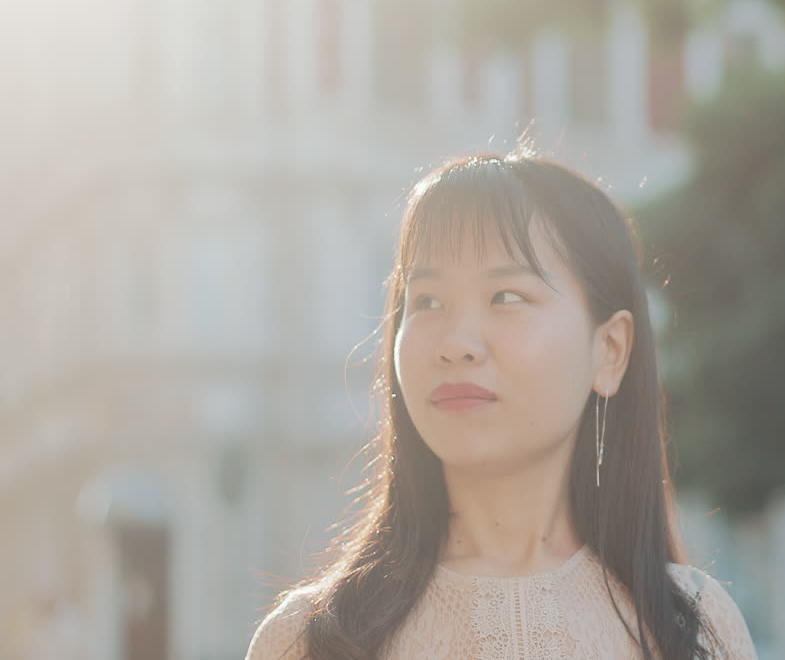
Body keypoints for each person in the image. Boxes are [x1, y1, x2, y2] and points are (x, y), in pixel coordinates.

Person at [245, 151, 757, 659]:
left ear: (610, 350)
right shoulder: (307, 640)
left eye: (506, 297)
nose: (456, 342)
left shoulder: (692, 629)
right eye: (426, 302)